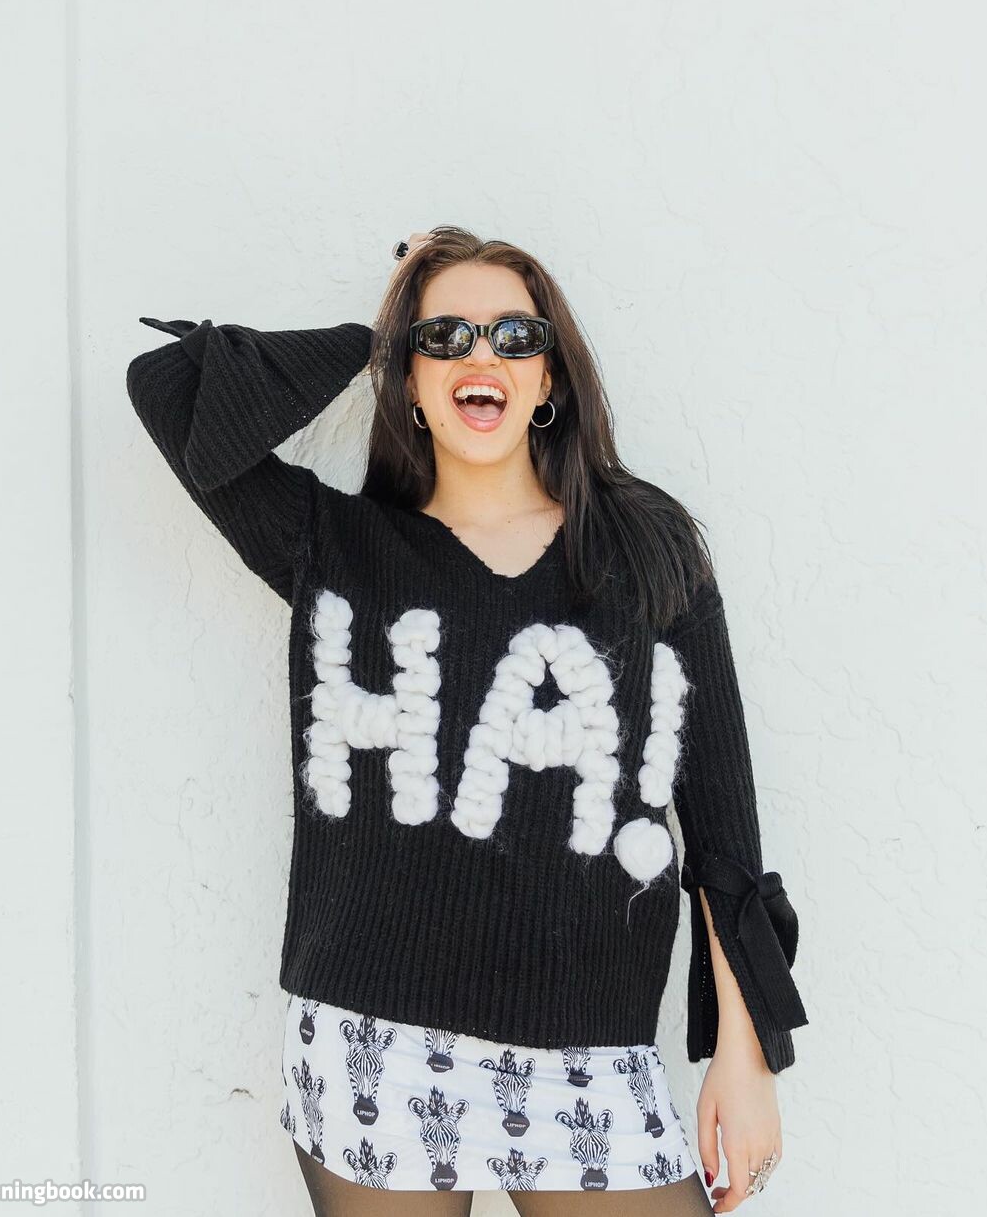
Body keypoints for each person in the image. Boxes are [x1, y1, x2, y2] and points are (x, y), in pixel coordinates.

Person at [125, 226, 808, 1215]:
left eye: (514, 337)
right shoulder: (335, 544)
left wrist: (745, 1060)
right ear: (406, 382)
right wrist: (379, 336)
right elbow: (167, 387)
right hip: (373, 1046)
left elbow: (724, 835)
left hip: (589, 1055)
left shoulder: (647, 550)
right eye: (445, 337)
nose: (481, 356)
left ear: (550, 379)